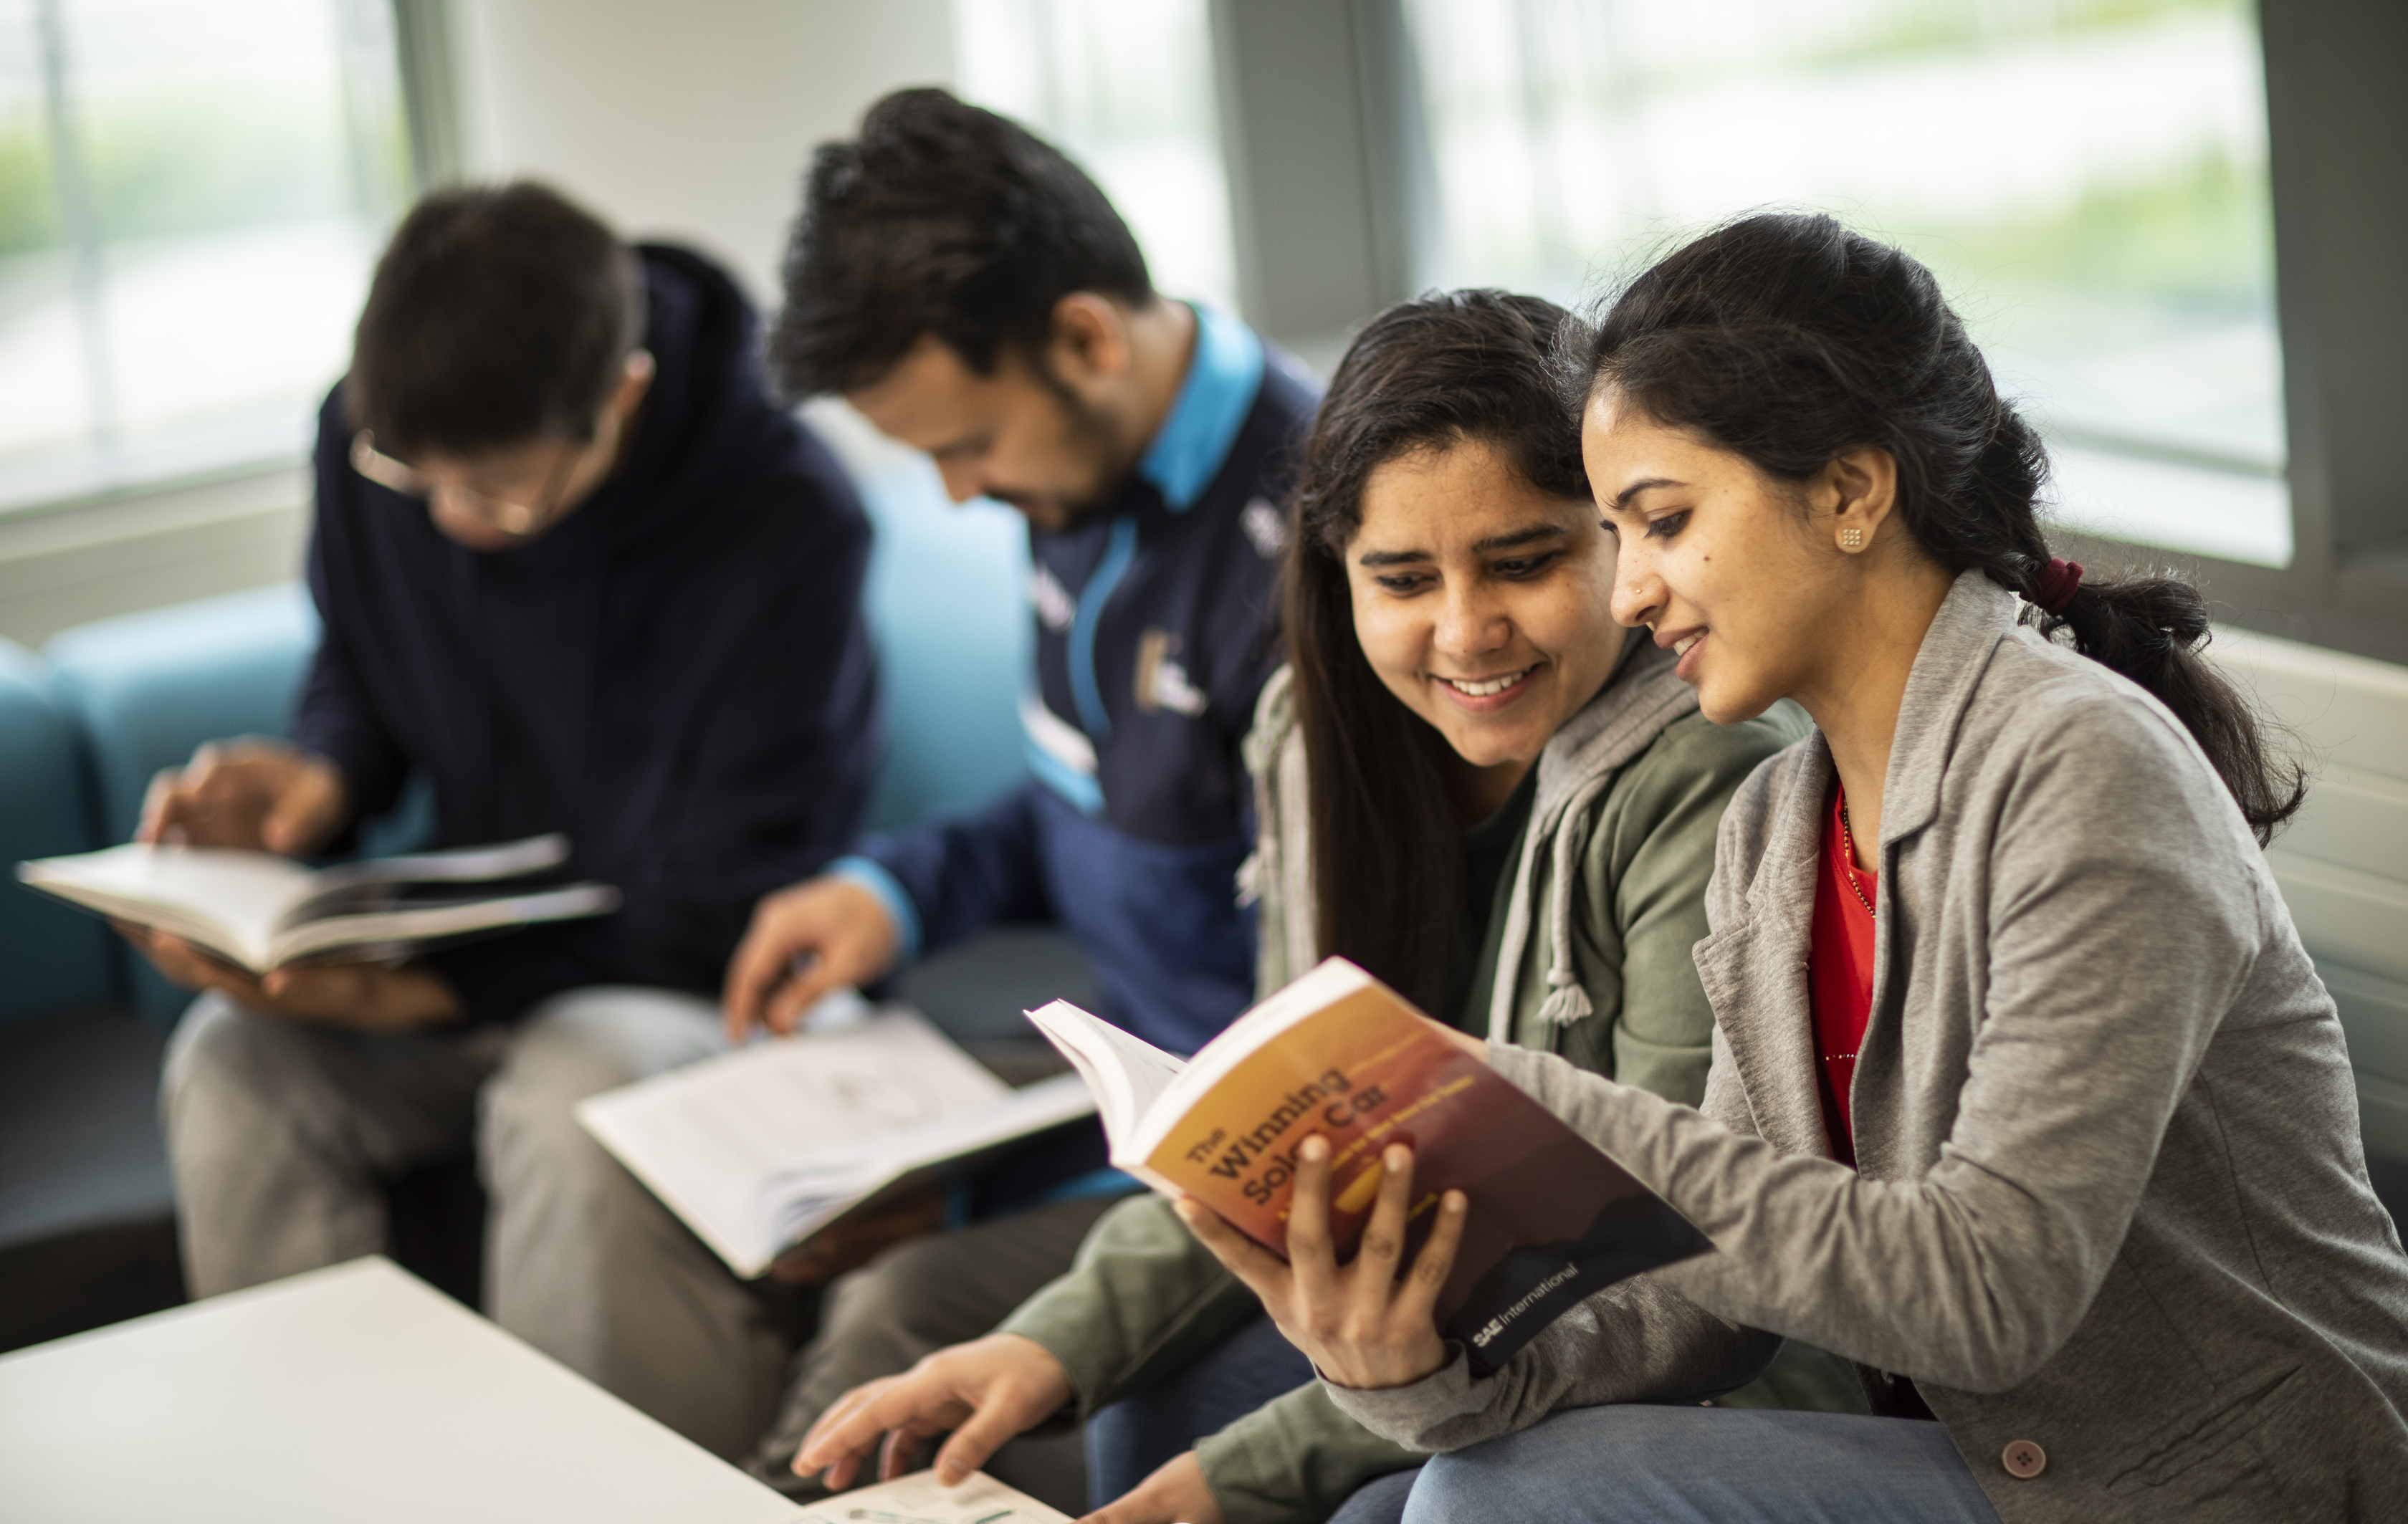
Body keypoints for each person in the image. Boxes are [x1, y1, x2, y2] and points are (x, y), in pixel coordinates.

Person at [1174, 214, 2408, 1524]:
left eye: (1662, 522)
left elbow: (1990, 1294)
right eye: (1615, 535)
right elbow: (1701, 1304)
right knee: (1450, 1481)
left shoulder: (2085, 770)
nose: (1633, 592)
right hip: (2004, 1470)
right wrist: (1417, 1368)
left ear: (1849, 493)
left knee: (1481, 1511)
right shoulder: (1779, 827)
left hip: (2219, 1486)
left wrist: (1525, 1107)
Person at [786, 290, 1845, 1524]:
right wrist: (1052, 1347)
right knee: (1139, 1397)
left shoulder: (1709, 778)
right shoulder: (1314, 739)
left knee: (1359, 1507)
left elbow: (1662, 1265)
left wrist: (1236, 1479)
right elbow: (1277, 1156)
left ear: (1621, 542)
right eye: (1403, 578)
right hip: (1421, 1303)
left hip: (1672, 1354)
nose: (1465, 630)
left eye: (1526, 560)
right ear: (1337, 576)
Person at [142, 181, 880, 1458]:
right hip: (476, 951)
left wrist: (411, 998)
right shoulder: (384, 434)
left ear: (625, 397)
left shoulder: (788, 518)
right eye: (410, 476)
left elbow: (727, 894)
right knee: (231, 1061)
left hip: (704, 971)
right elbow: (364, 665)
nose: (447, 521)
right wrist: (321, 777)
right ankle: (311, 1481)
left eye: (494, 490)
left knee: (573, 1090)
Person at [727, 88, 1319, 1489]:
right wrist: (893, 892)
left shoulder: (1318, 551)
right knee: (735, 1209)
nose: (951, 493)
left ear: (1083, 337)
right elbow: (1091, 793)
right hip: (1102, 1086)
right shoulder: (1070, 489)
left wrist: (977, 1189)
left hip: (1226, 1151)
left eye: (961, 445)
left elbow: (1322, 1045)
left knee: (888, 1312)